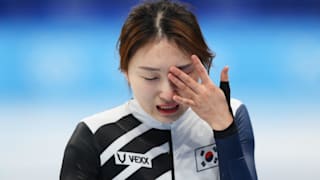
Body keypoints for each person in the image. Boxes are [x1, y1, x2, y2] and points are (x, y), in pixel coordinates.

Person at [60, 0, 258, 179]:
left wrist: (224, 129)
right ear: (125, 71)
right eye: (151, 77)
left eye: (182, 75)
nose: (168, 94)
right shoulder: (95, 135)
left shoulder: (232, 114)